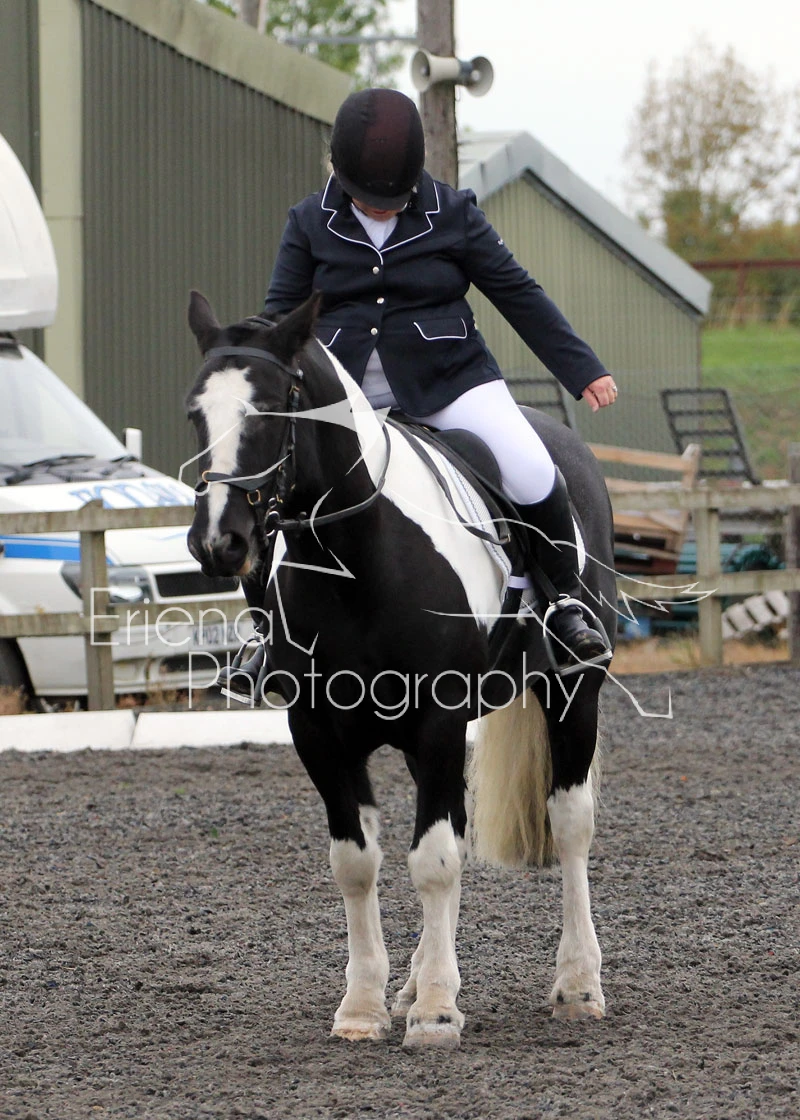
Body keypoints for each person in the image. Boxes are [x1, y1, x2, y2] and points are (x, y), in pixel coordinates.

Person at [222, 88, 617, 702]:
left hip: (449, 380)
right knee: (273, 486)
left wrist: (581, 368)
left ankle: (564, 606)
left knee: (533, 470)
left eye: (392, 201)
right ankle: (267, 634)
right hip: (345, 396)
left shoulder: (453, 213)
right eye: (366, 199)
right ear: (336, 171)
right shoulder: (308, 221)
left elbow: (516, 291)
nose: (379, 211)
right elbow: (280, 316)